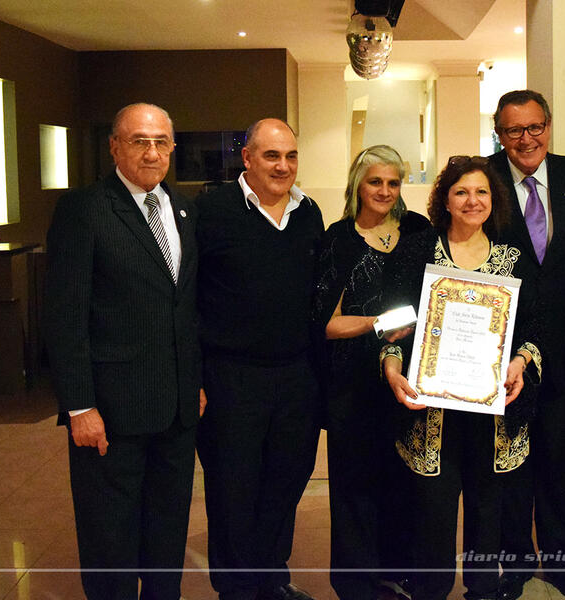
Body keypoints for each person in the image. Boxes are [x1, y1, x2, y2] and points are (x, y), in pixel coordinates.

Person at [43, 102, 202, 599]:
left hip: (175, 412)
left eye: (161, 142)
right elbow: (64, 316)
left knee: (165, 535)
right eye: (139, 141)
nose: (152, 152)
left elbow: (182, 307)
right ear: (115, 146)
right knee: (109, 539)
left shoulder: (181, 208)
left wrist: (191, 382)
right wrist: (79, 405)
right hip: (110, 412)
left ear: (172, 148)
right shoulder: (84, 210)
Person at [380, 156, 543, 600]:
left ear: (495, 200)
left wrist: (521, 362)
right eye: (461, 192)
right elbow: (392, 318)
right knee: (432, 511)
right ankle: (430, 590)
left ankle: (483, 590)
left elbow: (533, 325)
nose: (473, 201)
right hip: (431, 412)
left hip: (492, 414)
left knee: (488, 511)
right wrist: (391, 363)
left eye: (482, 192)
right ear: (445, 200)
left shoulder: (512, 256)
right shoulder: (418, 250)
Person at [195, 118, 324, 600]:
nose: (283, 166)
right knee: (233, 493)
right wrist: (195, 376)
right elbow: (185, 299)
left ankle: (272, 578)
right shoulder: (211, 212)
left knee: (285, 483)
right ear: (246, 158)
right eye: (272, 156)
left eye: (291, 156)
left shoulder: (308, 213)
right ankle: (236, 590)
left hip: (295, 378)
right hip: (232, 379)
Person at [488, 90, 565, 600]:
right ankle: (511, 563)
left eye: (535, 128)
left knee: (562, 453)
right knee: (509, 456)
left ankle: (561, 560)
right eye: (514, 131)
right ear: (500, 133)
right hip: (503, 349)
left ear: (548, 127)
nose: (526, 139)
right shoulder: (482, 179)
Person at [314, 145, 430, 600]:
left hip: (408, 377)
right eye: (375, 181)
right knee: (356, 485)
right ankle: (356, 582)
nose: (384, 191)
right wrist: (377, 323)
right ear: (358, 185)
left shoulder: (420, 231)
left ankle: (397, 571)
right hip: (353, 384)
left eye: (393, 182)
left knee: (404, 480)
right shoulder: (338, 238)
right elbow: (325, 324)